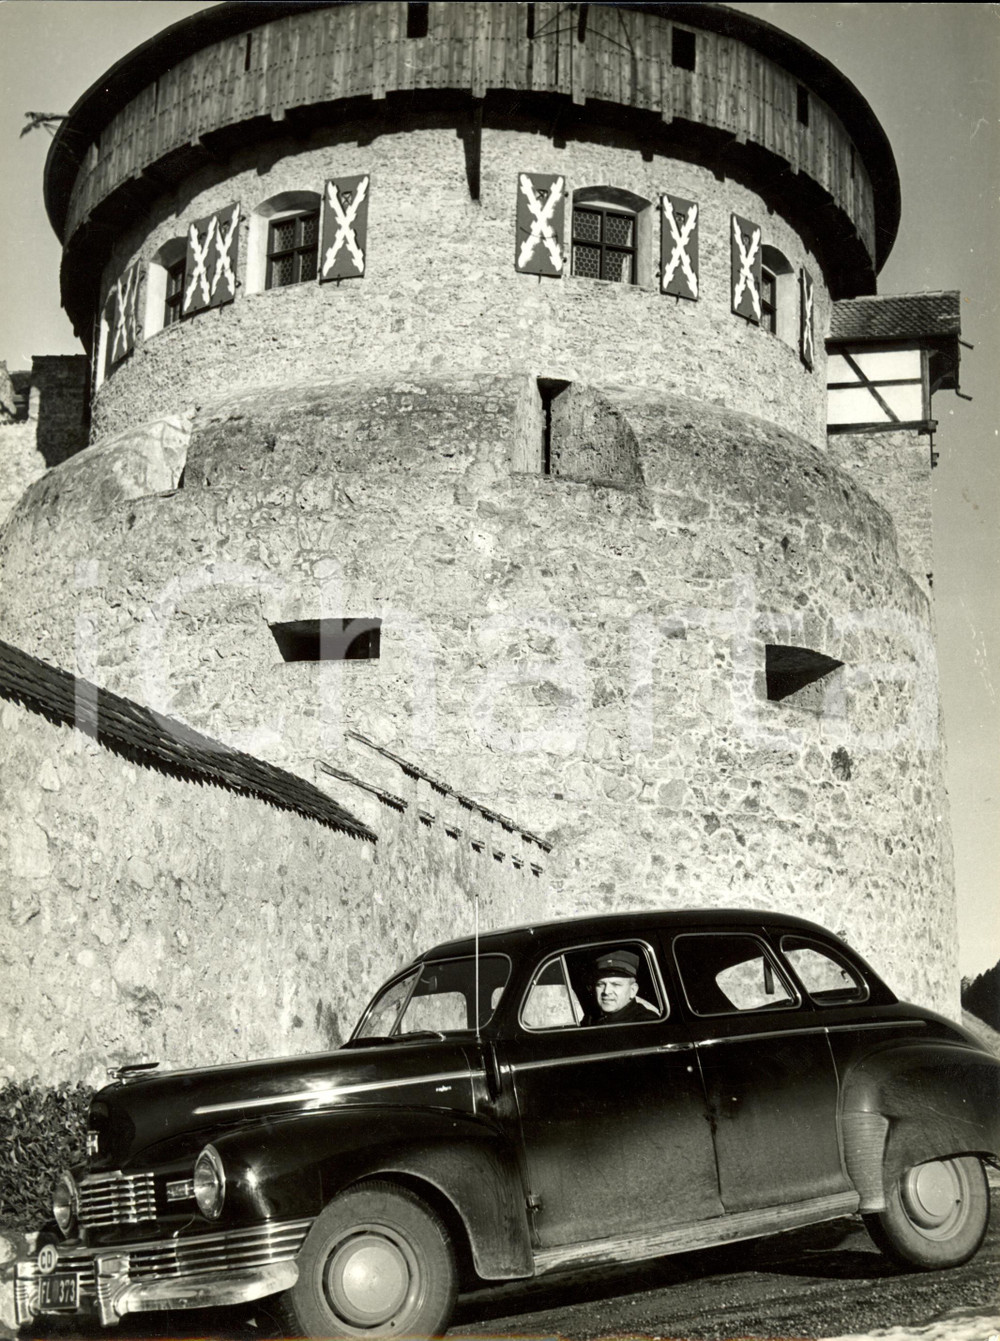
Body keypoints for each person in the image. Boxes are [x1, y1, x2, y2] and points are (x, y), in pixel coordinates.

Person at [582, 950, 655, 1025]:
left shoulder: (647, 1023)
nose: (606, 991)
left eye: (615, 984)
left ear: (633, 990)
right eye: (601, 984)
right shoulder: (590, 1019)